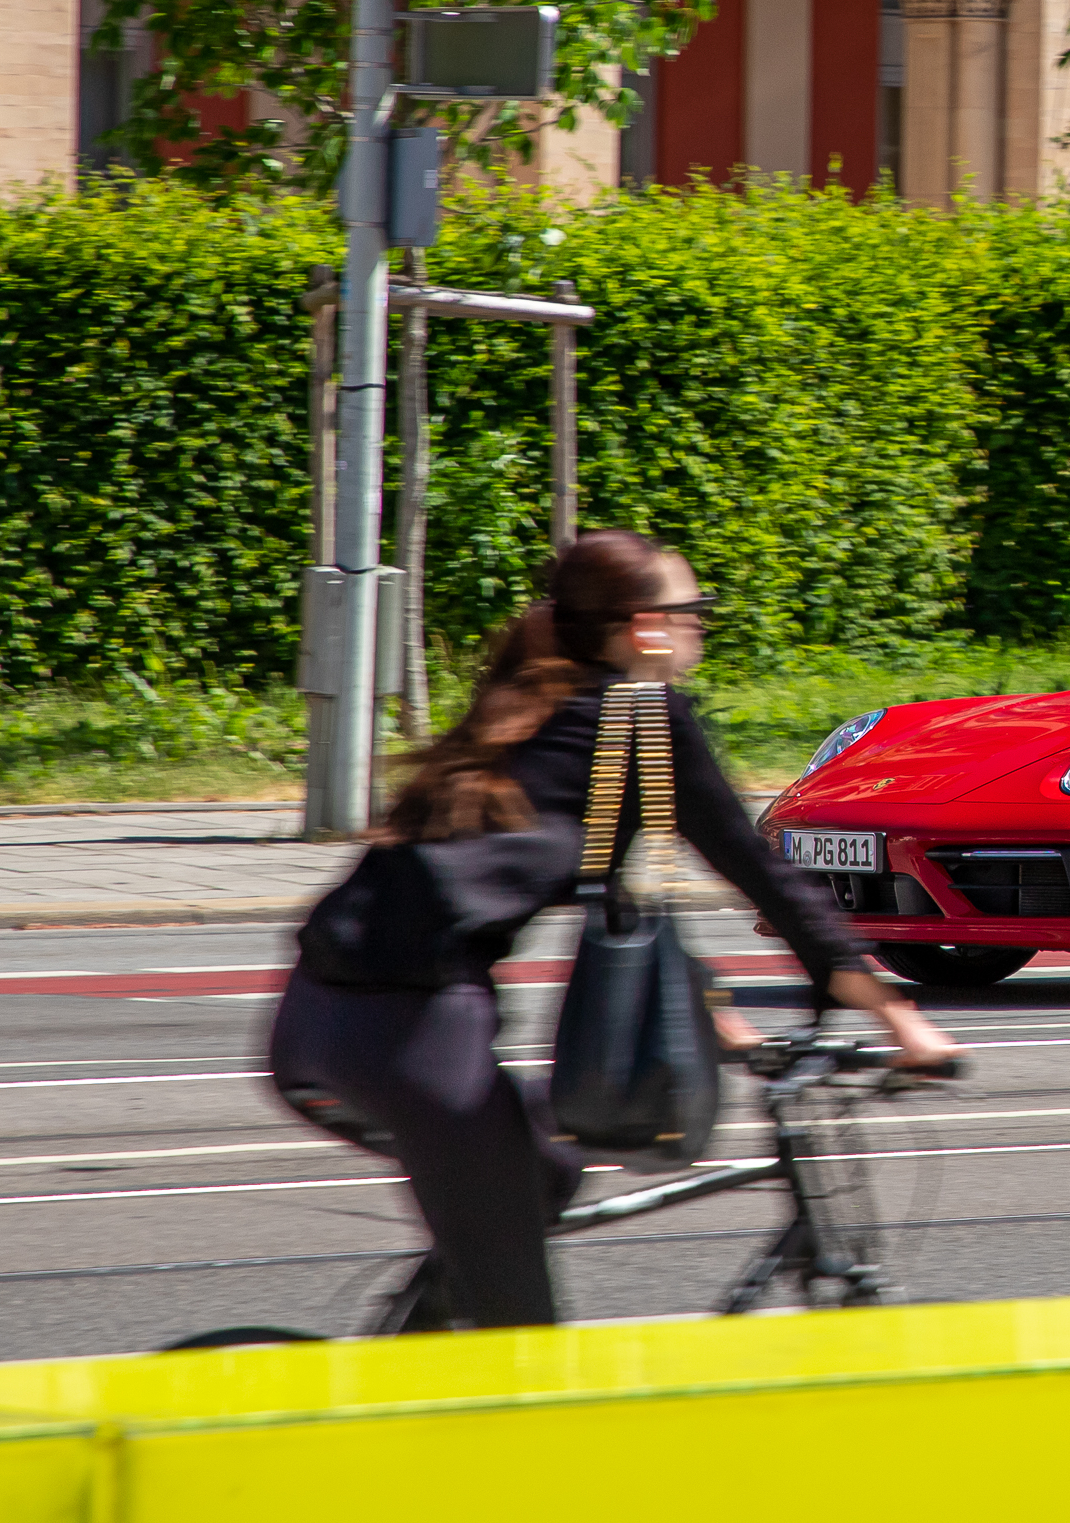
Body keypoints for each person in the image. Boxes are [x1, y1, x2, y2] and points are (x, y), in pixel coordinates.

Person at [269, 529, 959, 1329]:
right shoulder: (641, 716)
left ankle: (419, 1344)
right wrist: (901, 1017)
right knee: (520, 1333)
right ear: (645, 628)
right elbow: (758, 868)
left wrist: (712, 1009)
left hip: (313, 1020)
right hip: (409, 1038)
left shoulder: (544, 703)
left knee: (550, 1165)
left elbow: (610, 900)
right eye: (693, 610)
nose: (701, 623)